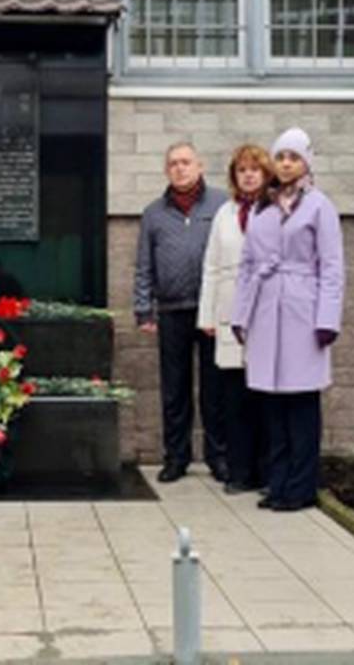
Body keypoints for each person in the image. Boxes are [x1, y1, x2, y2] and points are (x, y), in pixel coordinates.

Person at [232, 127, 345, 512]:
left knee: (300, 403)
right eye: (280, 157)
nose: (285, 164)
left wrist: (327, 318)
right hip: (267, 310)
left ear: (305, 162)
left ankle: (301, 487)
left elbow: (331, 266)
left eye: (293, 157)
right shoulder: (262, 208)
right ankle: (277, 483)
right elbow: (247, 265)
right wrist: (240, 314)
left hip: (302, 309)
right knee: (272, 404)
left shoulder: (319, 206)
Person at [134, 142, 229, 483]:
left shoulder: (221, 205)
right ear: (166, 170)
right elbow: (144, 265)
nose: (180, 168)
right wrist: (144, 309)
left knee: (214, 390)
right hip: (172, 312)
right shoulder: (153, 213)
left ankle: (219, 457)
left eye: (186, 162)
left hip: (211, 314)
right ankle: (176, 458)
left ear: (200, 166)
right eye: (173, 163)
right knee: (174, 390)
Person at [198, 143, 272, 494]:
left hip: (264, 313)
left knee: (264, 399)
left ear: (265, 173)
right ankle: (238, 472)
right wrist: (207, 315)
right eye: (241, 170)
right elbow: (211, 267)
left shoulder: (274, 211)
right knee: (233, 399)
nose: (248, 175)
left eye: (254, 169)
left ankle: (265, 472)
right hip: (228, 313)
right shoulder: (225, 214)